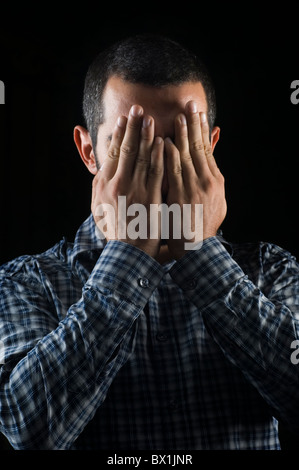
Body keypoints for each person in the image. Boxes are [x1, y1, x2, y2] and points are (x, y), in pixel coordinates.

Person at [0, 34, 299, 451]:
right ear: (89, 152)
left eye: (179, 144)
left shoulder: (272, 270)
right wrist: (130, 255)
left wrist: (199, 251)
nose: (156, 166)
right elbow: (26, 430)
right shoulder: (27, 283)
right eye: (131, 145)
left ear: (210, 149)